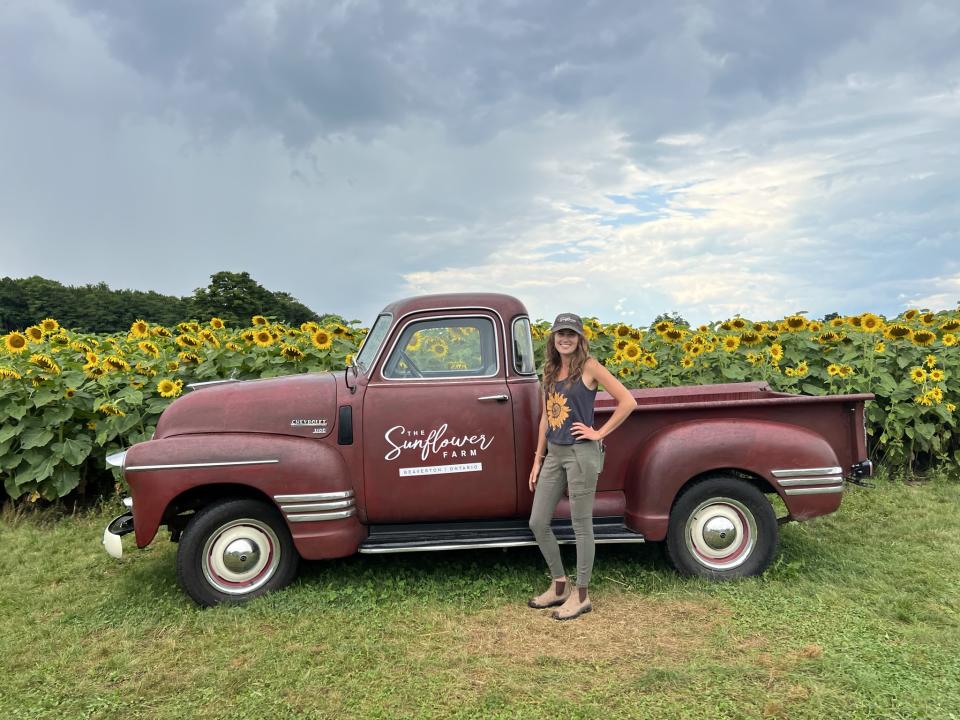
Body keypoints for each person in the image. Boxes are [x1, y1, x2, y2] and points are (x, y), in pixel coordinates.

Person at [527, 312, 637, 620]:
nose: (565, 338)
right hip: (555, 455)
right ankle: (560, 584)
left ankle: (582, 595)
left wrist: (599, 432)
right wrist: (538, 458)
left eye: (571, 334)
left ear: (579, 339)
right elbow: (547, 417)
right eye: (560, 333)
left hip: (581, 454)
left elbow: (628, 401)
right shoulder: (549, 370)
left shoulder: (589, 367)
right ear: (553, 338)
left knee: (580, 524)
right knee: (538, 522)